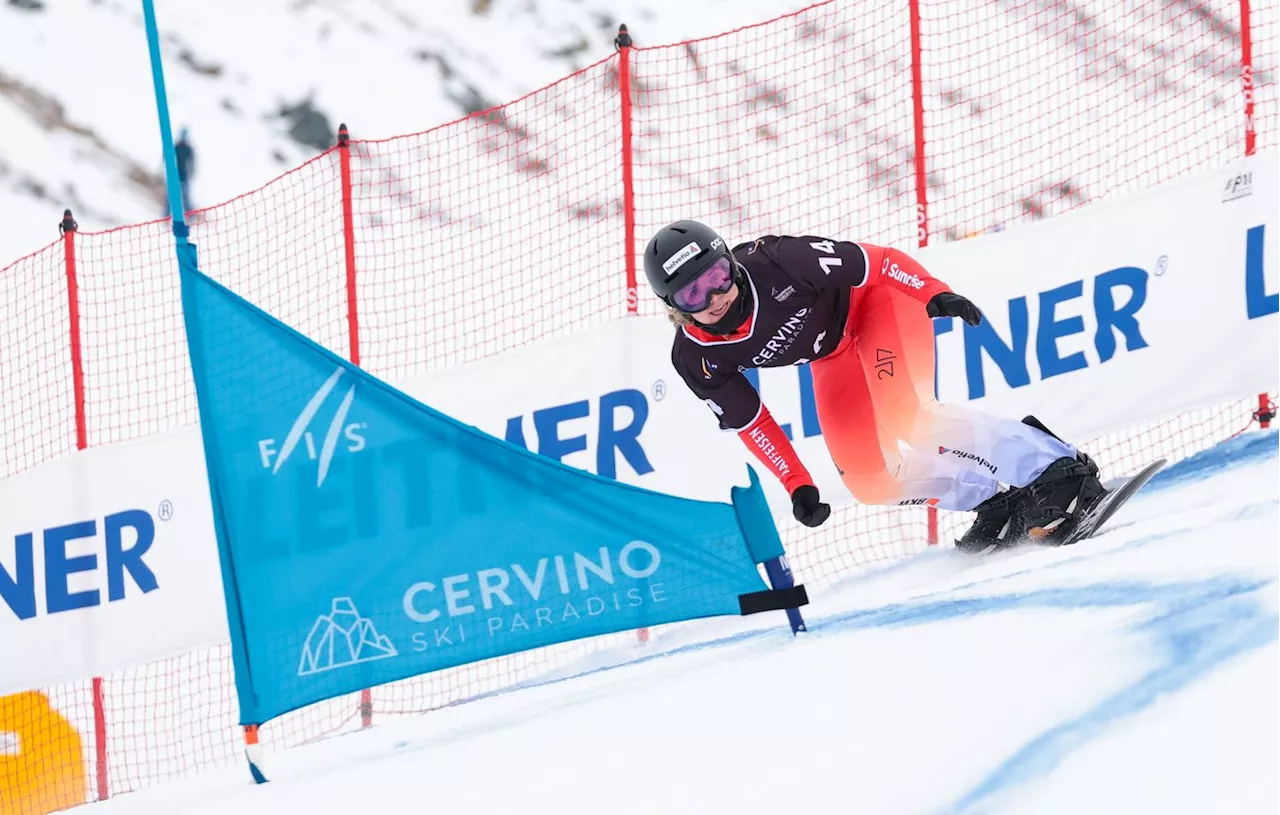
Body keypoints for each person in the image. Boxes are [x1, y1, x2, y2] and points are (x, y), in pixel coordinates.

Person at [644, 220, 1106, 553]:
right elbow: (752, 422)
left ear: (730, 262)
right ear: (674, 307)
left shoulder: (777, 260)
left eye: (718, 276)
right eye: (693, 294)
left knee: (909, 416)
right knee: (870, 480)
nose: (715, 296)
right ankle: (995, 501)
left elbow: (877, 262)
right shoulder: (695, 358)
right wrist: (797, 482)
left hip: (876, 304)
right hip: (831, 354)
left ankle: (1060, 470)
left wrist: (931, 291)